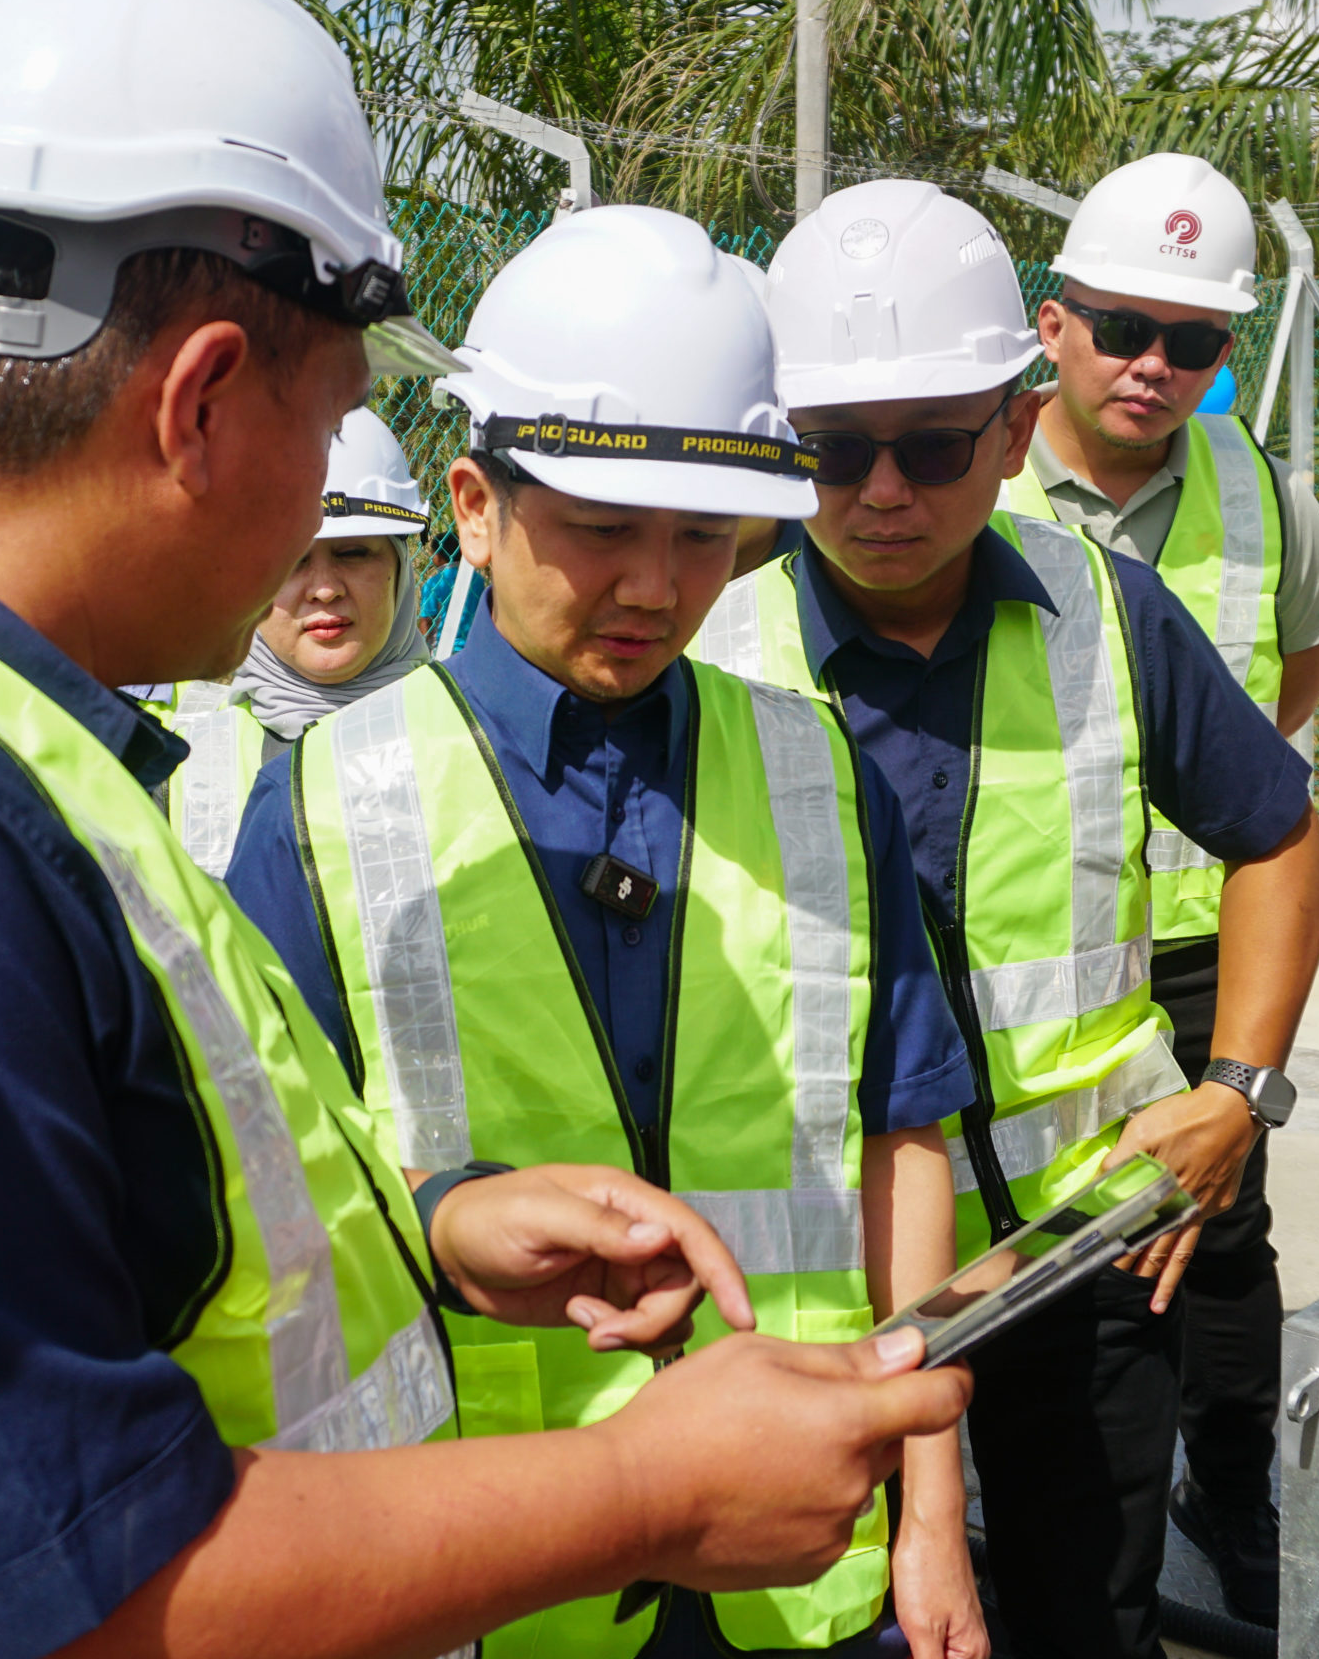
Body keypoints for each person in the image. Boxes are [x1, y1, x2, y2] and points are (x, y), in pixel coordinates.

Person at [0, 0, 967, 1659]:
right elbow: (47, 1601)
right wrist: (645, 1493)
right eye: (332, 420)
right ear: (203, 400)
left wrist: (431, 1232)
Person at [229, 206, 985, 1659]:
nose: (654, 586)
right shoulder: (323, 804)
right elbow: (277, 1203)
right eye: (600, 529)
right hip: (495, 1580)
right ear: (474, 505)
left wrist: (931, 1514)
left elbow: (904, 1143)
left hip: (805, 1563)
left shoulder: (824, 778)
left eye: (703, 536)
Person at [694, 179, 1319, 1659]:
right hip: (829, 1260)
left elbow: (1277, 832)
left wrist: (1239, 1089)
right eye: (833, 450)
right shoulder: (714, 648)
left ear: (1009, 422)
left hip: (1086, 1243)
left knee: (1083, 1611)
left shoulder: (1105, 611)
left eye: (931, 445)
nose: (883, 492)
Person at [1007, 151, 1319, 1627]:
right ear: (1053, 324)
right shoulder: (954, 474)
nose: (1154, 365)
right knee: (1001, 1231)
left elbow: (1298, 677)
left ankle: (1232, 1481)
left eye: (1194, 342)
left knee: (1214, 1241)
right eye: (1124, 328)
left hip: (1203, 941)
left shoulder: (1264, 498)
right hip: (1024, 946)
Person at [162, 406, 432, 880]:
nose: (325, 589)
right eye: (292, 559)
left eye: (353, 552)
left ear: (401, 571)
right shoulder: (168, 752)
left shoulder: (474, 739)